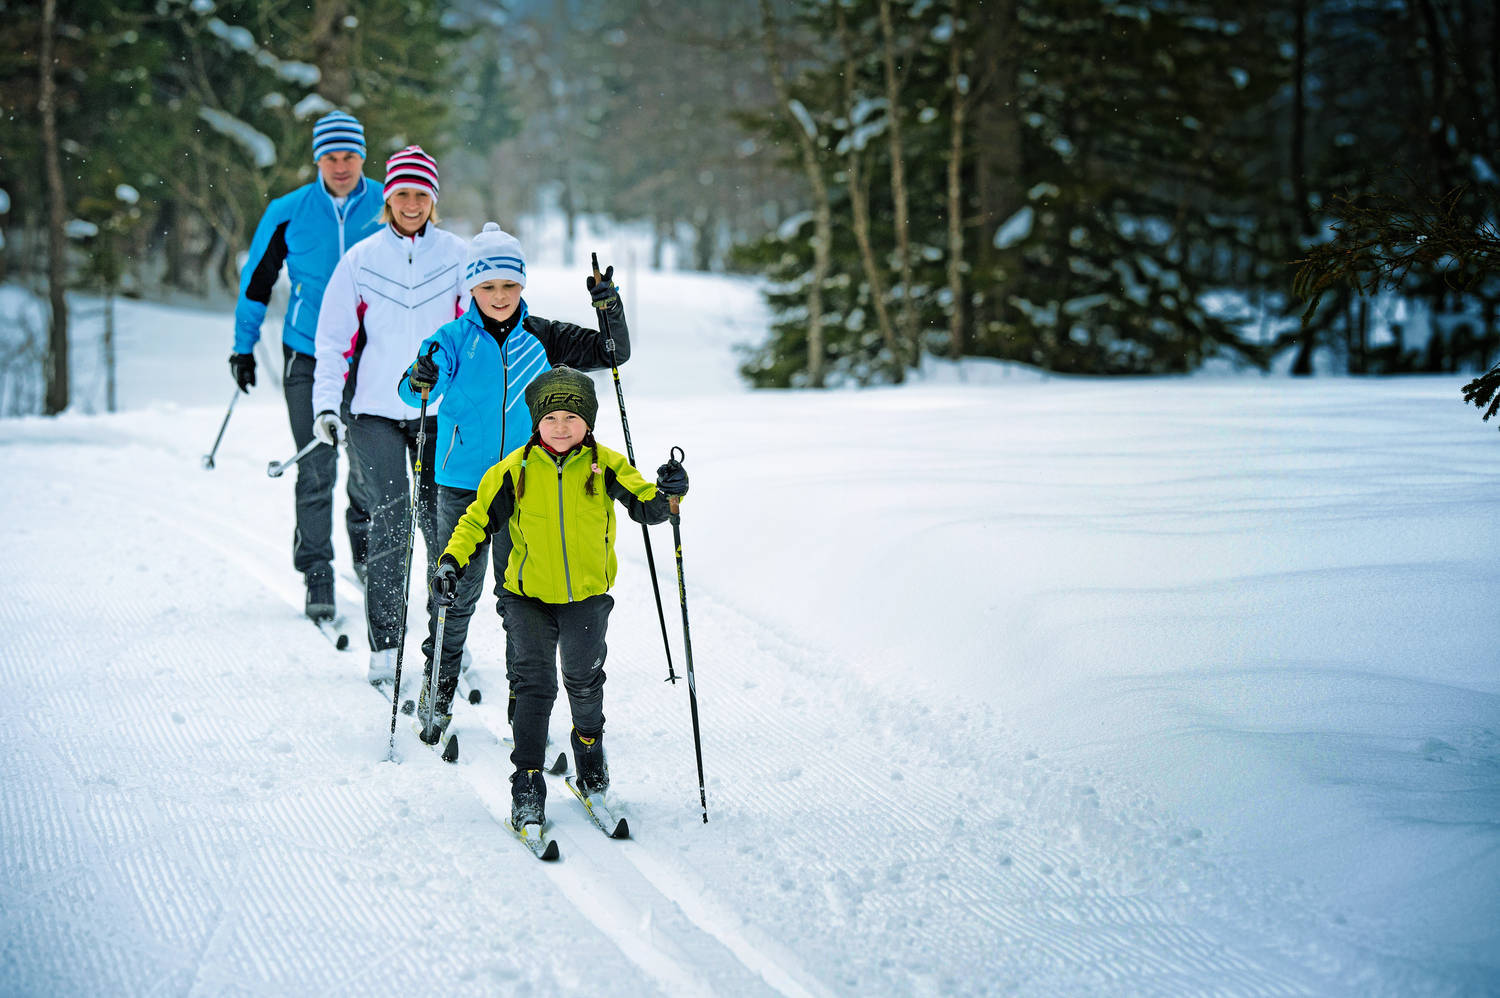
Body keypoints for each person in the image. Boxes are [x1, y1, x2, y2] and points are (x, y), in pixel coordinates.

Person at [429, 367, 688, 830]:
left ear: (588, 421)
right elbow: (473, 522)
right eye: (551, 418)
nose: (562, 426)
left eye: (572, 416)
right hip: (525, 597)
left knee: (584, 682)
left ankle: (590, 761)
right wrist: (451, 561)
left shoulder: (606, 465)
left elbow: (646, 505)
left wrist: (670, 494)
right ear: (536, 423)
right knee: (534, 686)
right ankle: (526, 785)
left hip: (586, 597)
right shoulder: (512, 471)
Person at [397, 224, 631, 726]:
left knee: (519, 603)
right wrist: (419, 377)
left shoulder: (544, 335)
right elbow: (409, 392)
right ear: (471, 290)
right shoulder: (452, 340)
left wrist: (610, 309)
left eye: (508, 285)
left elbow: (613, 353)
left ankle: (521, 706)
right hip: (461, 485)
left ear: (522, 286)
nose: (499, 297)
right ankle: (437, 693)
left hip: (528, 485)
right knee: (453, 591)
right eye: (487, 287)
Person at [310, 145, 467, 681]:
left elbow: (477, 332)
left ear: (433, 200)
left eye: (421, 194)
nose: (411, 203)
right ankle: (385, 645)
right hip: (373, 410)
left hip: (436, 410)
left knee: (440, 525)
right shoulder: (360, 259)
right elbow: (332, 342)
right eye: (402, 193)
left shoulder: (457, 257)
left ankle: (447, 635)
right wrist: (326, 407)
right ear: (388, 198)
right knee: (393, 518)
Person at [229, 110, 381, 620]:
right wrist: (243, 346)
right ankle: (317, 571)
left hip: (370, 355)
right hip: (308, 351)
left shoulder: (389, 205)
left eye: (349, 156)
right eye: (331, 157)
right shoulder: (288, 211)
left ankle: (364, 553)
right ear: (318, 159)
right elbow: (257, 281)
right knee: (316, 464)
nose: (341, 166)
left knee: (367, 464)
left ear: (362, 156)